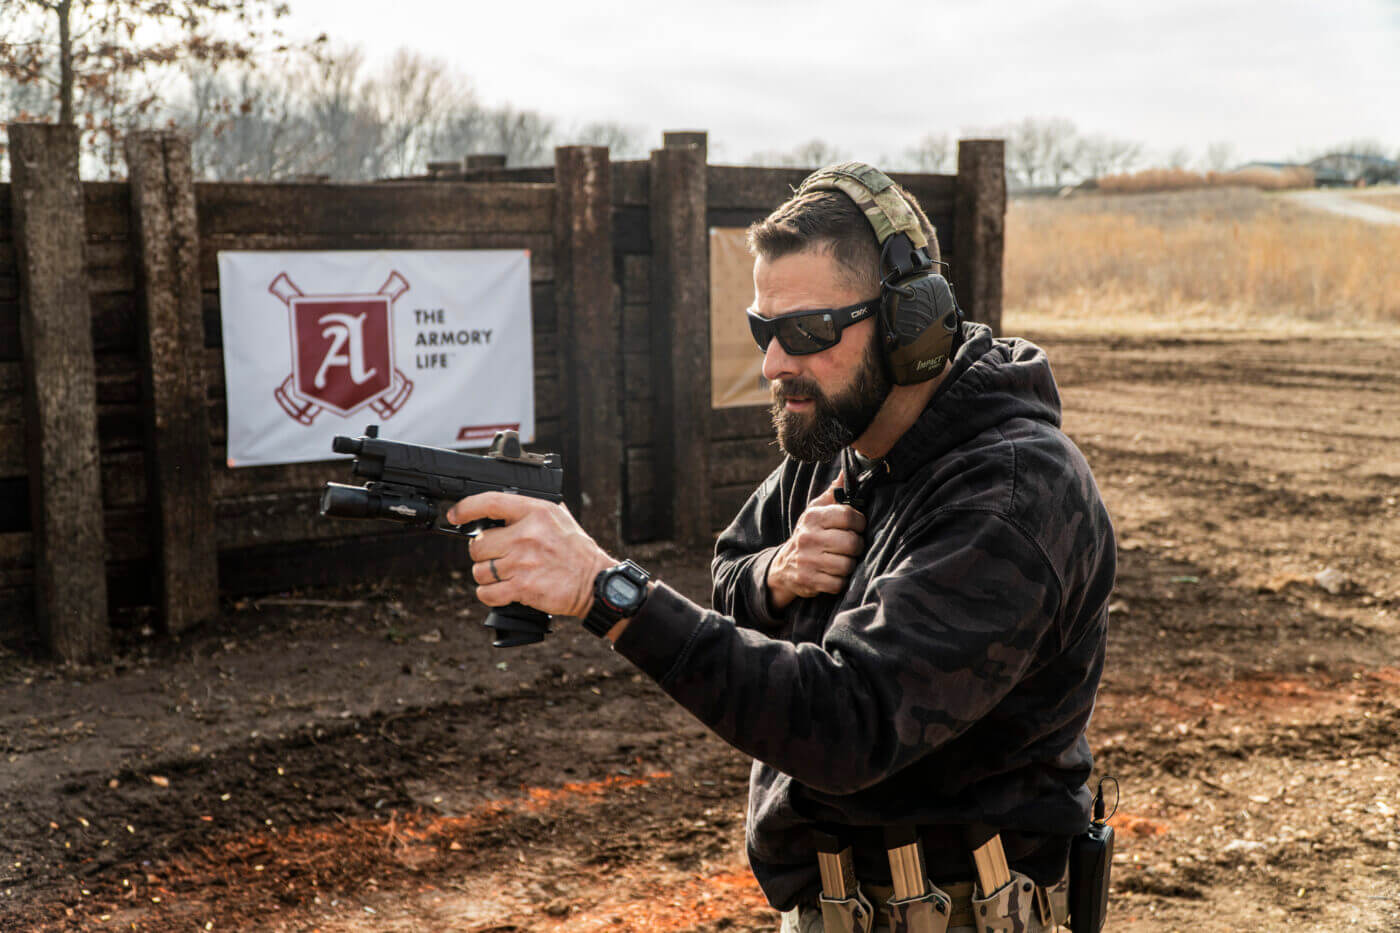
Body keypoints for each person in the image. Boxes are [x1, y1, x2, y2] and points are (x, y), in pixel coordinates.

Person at [448, 161, 1115, 933]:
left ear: (913, 328)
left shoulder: (1010, 492)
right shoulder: (842, 441)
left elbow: (849, 722)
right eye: (763, 330)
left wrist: (605, 590)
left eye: (805, 333)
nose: (773, 364)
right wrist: (780, 571)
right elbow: (733, 565)